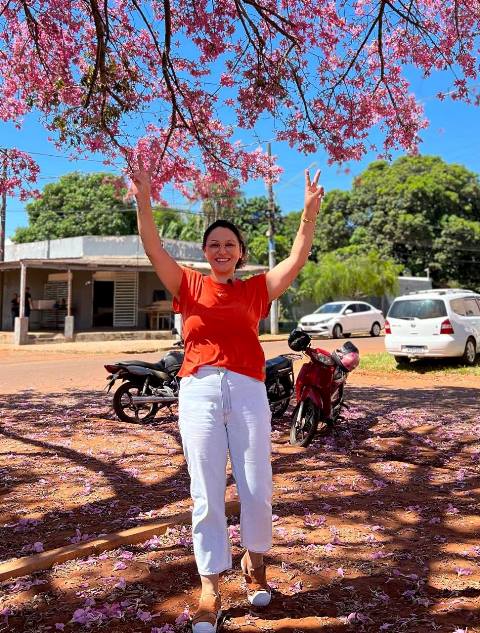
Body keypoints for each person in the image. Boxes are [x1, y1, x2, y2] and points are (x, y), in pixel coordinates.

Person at [130, 158, 323, 633]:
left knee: (257, 484)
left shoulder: (256, 290)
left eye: (229, 245)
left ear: (239, 253)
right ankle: (210, 585)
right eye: (214, 244)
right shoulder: (188, 284)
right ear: (205, 251)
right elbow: (152, 246)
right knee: (206, 489)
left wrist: (308, 214)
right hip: (198, 389)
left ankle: (255, 562)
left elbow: (296, 259)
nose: (221, 250)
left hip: (248, 388)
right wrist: (144, 200)